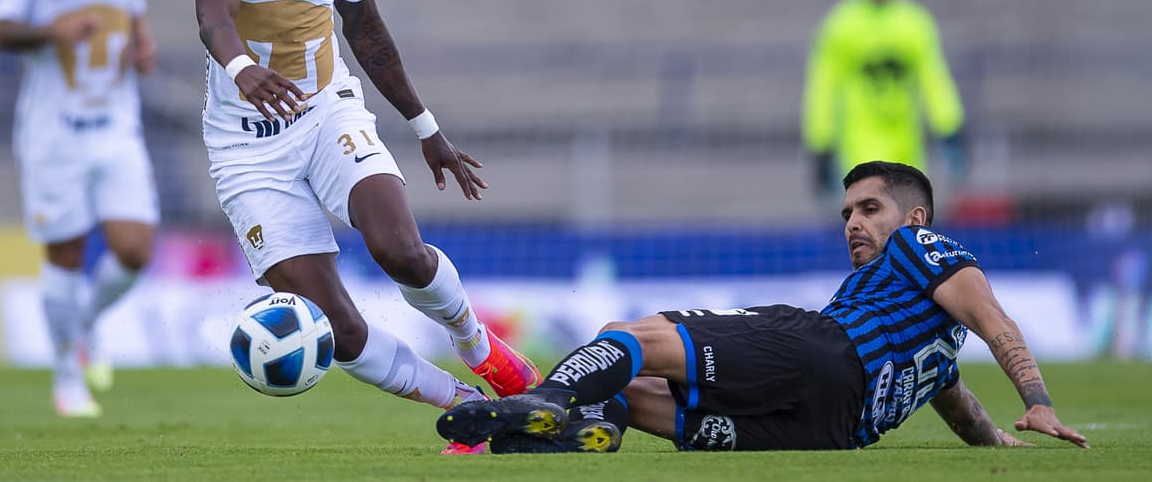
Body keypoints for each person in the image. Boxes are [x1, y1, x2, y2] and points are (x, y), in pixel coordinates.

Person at [187, 0, 540, 449]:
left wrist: (425, 127)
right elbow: (212, 14)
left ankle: (482, 351)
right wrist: (243, 68)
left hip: (326, 113)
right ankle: (469, 410)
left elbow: (367, 30)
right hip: (245, 145)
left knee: (401, 251)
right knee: (337, 328)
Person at [437, 161, 1088, 454]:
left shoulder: (923, 242)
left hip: (826, 351)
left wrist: (1038, 399)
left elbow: (994, 321)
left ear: (914, 217)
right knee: (634, 395)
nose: (852, 224)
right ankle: (576, 434)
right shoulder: (932, 350)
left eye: (869, 209)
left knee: (629, 333)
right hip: (829, 434)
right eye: (846, 214)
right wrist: (995, 441)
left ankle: (545, 400)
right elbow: (959, 404)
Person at [0, 0, 160, 417]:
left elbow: (133, 12)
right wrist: (51, 31)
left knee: (135, 249)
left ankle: (82, 324)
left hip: (116, 123)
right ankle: (66, 376)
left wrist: (142, 43)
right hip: (54, 129)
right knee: (65, 252)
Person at [802, 0, 967, 204]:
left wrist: (950, 128)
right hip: (859, 142)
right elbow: (823, 87)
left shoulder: (914, 22)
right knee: (870, 216)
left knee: (907, 218)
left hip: (905, 143)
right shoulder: (841, 25)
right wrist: (820, 142)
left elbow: (934, 80)